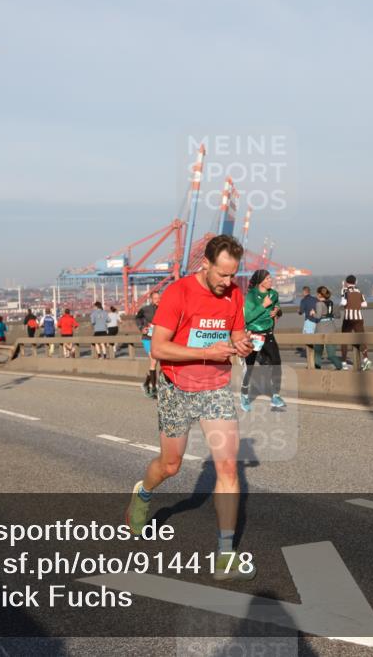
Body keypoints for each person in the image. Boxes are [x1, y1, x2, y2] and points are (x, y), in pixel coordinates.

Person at [124, 234, 255, 581]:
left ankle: (226, 557)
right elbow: (160, 349)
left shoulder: (234, 293)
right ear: (206, 265)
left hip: (215, 386)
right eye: (222, 275)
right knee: (170, 465)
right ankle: (144, 492)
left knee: (228, 467)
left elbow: (236, 331)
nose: (228, 283)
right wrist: (206, 352)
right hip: (176, 387)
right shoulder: (179, 292)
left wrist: (241, 343)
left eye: (233, 276)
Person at [240, 269, 286, 412]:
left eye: (270, 278)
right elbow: (248, 317)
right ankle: (244, 394)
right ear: (260, 281)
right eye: (267, 279)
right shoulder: (251, 296)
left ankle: (276, 396)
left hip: (269, 334)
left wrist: (277, 311)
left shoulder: (273, 294)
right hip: (254, 335)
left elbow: (278, 308)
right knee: (250, 367)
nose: (270, 281)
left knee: (276, 362)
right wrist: (264, 306)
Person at [338, 275, 372, 371]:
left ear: (346, 282)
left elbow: (344, 303)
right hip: (359, 318)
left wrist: (340, 304)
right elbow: (365, 304)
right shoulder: (359, 291)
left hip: (348, 319)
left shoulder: (344, 290)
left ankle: (344, 362)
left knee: (344, 339)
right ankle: (366, 359)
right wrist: (356, 304)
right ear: (355, 282)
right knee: (361, 338)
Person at [136, 291, 162, 398]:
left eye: (159, 298)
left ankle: (146, 383)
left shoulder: (164, 308)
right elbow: (137, 318)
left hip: (160, 339)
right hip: (148, 338)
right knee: (153, 361)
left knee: (160, 363)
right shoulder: (146, 309)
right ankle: (154, 389)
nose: (157, 300)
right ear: (151, 299)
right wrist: (142, 328)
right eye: (155, 298)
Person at [314, 286, 346, 370]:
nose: (316, 295)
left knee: (318, 352)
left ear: (320, 295)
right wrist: (330, 315)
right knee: (331, 354)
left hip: (320, 329)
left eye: (317, 293)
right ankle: (339, 366)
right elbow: (338, 316)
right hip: (332, 328)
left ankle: (317, 368)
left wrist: (312, 313)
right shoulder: (333, 303)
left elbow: (318, 316)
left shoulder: (319, 304)